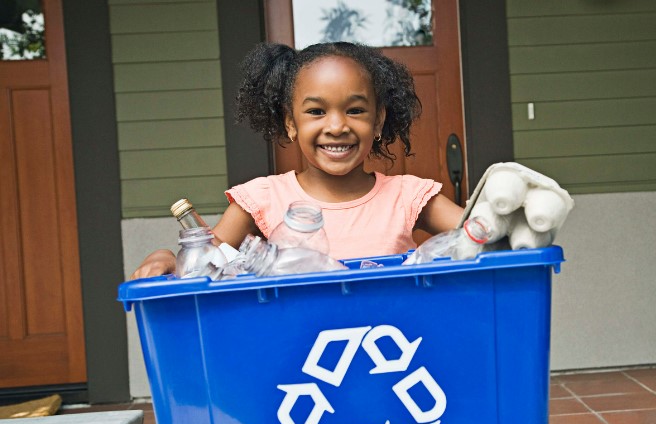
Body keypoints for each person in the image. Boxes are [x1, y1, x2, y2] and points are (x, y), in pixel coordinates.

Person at [131, 41, 463, 279]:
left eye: (356, 110)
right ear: (291, 122)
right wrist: (165, 257)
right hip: (295, 358)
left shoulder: (408, 197)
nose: (336, 126)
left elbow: (484, 234)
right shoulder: (263, 198)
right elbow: (206, 259)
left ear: (378, 122)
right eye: (316, 111)